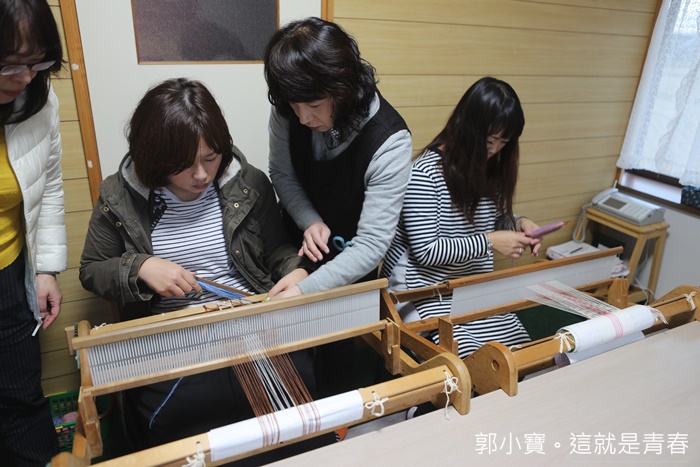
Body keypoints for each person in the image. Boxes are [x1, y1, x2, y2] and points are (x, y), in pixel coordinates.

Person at [79, 78, 317, 453]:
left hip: (252, 321)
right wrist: (140, 268)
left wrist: (296, 272)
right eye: (184, 165)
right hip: (174, 334)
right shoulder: (120, 196)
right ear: (154, 158)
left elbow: (278, 250)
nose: (202, 175)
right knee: (191, 409)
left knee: (298, 391)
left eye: (211, 158)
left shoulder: (249, 183)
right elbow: (92, 268)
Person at [263, 17, 412, 398]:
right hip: (297, 246)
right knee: (286, 353)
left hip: (352, 260)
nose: (302, 118)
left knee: (337, 357)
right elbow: (282, 173)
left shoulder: (390, 140)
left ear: (343, 90)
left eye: (314, 106)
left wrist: (305, 292)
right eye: (294, 106)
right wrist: (309, 219)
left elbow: (372, 245)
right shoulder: (290, 108)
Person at [381, 77, 542, 360]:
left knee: (521, 353)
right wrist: (490, 242)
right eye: (489, 141)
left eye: (503, 143)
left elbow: (492, 221)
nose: (494, 150)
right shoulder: (425, 174)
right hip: (420, 288)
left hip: (469, 283)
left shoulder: (490, 170)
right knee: (473, 361)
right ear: (467, 129)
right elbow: (427, 251)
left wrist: (518, 224)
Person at [0, 0, 66, 465]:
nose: (25, 77)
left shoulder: (39, 99)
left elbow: (51, 184)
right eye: (10, 64)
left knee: (22, 398)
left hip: (10, 271)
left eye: (37, 63)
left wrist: (44, 269)